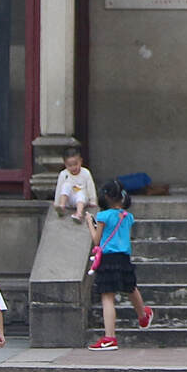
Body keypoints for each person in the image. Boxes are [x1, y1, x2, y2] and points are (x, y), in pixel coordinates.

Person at [88, 180, 153, 350]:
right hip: (124, 257)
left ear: (106, 196)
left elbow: (96, 239)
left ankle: (110, 337)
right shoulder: (128, 216)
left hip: (108, 258)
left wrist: (90, 223)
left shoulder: (103, 216)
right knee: (130, 287)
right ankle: (143, 314)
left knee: (107, 296)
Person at [53, 147, 95, 224]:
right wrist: (57, 202)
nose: (73, 167)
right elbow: (59, 188)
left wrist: (93, 201)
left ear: (80, 161)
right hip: (68, 199)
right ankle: (62, 206)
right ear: (65, 164)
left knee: (80, 192)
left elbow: (90, 187)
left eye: (76, 164)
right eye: (70, 165)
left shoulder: (85, 173)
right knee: (66, 185)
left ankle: (78, 214)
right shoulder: (63, 174)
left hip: (81, 200)